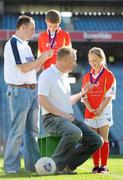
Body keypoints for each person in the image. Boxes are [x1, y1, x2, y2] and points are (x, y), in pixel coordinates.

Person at [38, 46, 103, 174]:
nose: (76, 63)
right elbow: (42, 100)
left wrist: (82, 93)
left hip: (67, 118)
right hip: (51, 118)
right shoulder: (47, 75)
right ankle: (53, 166)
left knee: (97, 141)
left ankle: (68, 165)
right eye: (74, 60)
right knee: (74, 132)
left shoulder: (64, 76)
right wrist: (63, 115)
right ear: (65, 60)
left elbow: (67, 101)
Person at [4, 15, 53, 174]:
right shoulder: (12, 43)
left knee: (32, 132)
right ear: (23, 27)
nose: (34, 32)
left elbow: (33, 69)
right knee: (17, 131)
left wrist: (44, 60)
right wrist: (42, 57)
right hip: (20, 90)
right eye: (31, 28)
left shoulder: (26, 46)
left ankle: (33, 167)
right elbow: (23, 68)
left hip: (32, 89)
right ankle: (11, 167)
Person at [81, 47, 116, 174]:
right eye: (90, 61)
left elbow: (109, 95)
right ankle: (96, 166)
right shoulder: (86, 77)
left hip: (104, 112)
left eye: (95, 60)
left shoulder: (108, 75)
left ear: (102, 59)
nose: (92, 63)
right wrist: (90, 108)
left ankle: (104, 166)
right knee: (95, 140)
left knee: (104, 139)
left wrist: (100, 109)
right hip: (90, 113)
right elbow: (83, 96)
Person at [37, 9, 71, 135]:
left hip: (60, 75)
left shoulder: (65, 35)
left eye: (55, 26)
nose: (52, 28)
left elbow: (69, 56)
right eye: (50, 26)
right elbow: (40, 57)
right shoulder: (41, 37)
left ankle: (63, 131)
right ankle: (49, 133)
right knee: (47, 105)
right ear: (46, 22)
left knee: (61, 104)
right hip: (47, 75)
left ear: (60, 23)